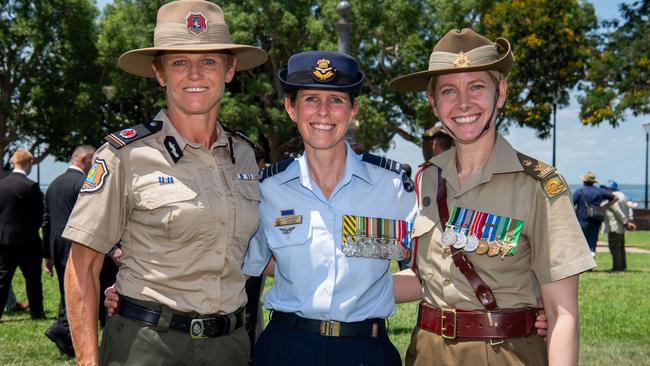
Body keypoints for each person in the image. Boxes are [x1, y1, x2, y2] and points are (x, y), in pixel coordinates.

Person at [61, 1, 267, 365]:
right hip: (147, 345)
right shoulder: (124, 154)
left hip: (231, 346)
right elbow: (82, 267)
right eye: (178, 62)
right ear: (159, 73)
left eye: (208, 61)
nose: (194, 74)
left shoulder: (244, 156)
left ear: (229, 69)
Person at [389, 28, 595, 366]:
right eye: (449, 91)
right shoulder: (427, 178)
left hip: (503, 353)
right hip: (425, 352)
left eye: (477, 87)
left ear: (500, 92)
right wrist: (339, 285)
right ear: (433, 100)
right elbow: (426, 278)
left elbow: (562, 314)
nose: (463, 103)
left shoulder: (538, 185)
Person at [242, 50, 417, 366]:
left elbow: (426, 273)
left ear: (353, 111)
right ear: (291, 109)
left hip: (365, 350)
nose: (323, 111)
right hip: (286, 348)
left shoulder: (392, 187)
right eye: (310, 99)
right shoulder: (268, 189)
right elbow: (249, 267)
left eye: (336, 100)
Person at [42, 145, 96, 356]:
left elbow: (46, 221)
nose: (94, 166)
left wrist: (46, 254)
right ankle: (60, 330)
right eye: (92, 161)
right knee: (77, 293)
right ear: (83, 159)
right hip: (74, 246)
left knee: (66, 293)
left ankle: (64, 334)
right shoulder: (82, 183)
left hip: (56, 247)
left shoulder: (54, 184)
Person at [0, 149, 45, 320]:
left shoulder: (1, 184)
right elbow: (39, 214)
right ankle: (37, 312)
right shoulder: (30, 186)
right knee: (33, 278)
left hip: (4, 240)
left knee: (3, 278)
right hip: (27, 240)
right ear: (29, 163)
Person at [573, 171, 617, 256]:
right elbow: (615, 197)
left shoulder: (579, 191)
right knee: (593, 241)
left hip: (582, 220)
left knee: (582, 242)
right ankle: (592, 257)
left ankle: (583, 263)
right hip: (596, 220)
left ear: (584, 181)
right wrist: (605, 207)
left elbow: (571, 203)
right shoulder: (600, 191)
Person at [600, 180, 636, 272]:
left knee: (614, 248)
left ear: (609, 188)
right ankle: (623, 267)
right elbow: (629, 209)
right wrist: (628, 220)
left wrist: (625, 222)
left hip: (614, 225)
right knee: (621, 248)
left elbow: (617, 211)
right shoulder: (623, 195)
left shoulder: (612, 197)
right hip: (621, 226)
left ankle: (617, 268)